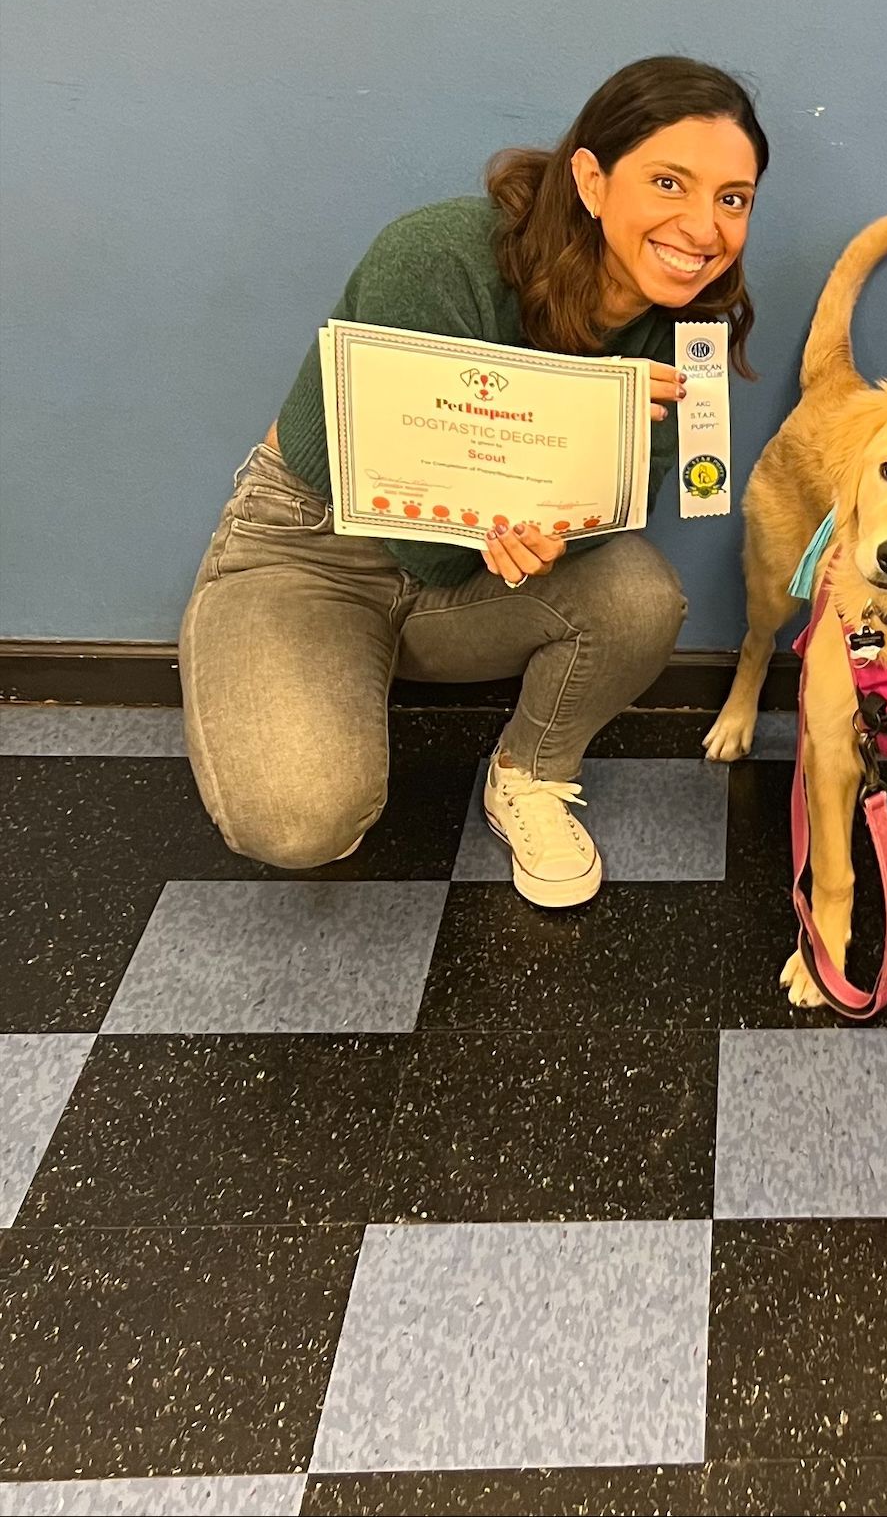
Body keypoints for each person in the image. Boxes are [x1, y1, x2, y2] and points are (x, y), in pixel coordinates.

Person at [180, 56, 765, 907]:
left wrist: (559, 523)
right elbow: (426, 541)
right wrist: (573, 439)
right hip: (313, 549)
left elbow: (620, 514)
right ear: (592, 181)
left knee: (640, 597)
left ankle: (528, 774)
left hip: (478, 571)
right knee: (302, 821)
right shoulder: (439, 257)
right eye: (669, 182)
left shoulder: (692, 334)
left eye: (733, 198)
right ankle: (313, 663)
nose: (705, 228)